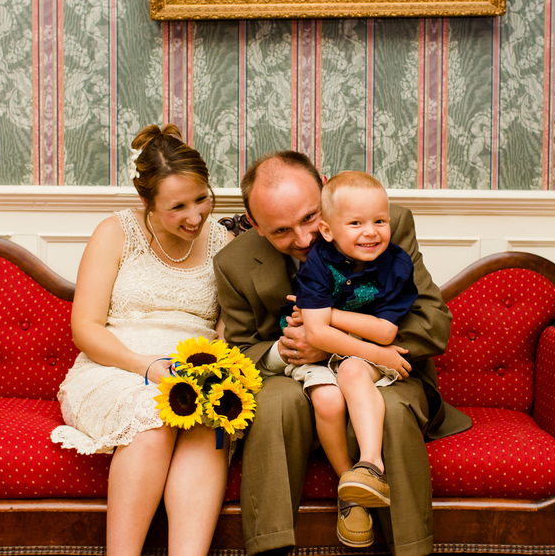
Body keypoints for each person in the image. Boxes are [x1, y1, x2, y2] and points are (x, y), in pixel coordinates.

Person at [214, 152, 471, 556]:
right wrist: (286, 351)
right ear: (256, 226)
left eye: (309, 217)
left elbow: (432, 324)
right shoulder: (233, 263)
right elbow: (241, 350)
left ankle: (409, 547)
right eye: (281, 230)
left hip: (383, 372)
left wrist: (351, 344)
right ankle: (269, 546)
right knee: (272, 402)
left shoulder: (381, 223)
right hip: (296, 381)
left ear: (325, 185)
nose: (303, 239)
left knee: (389, 410)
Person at [51, 124, 233, 556]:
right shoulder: (117, 232)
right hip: (115, 368)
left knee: (206, 422)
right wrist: (146, 366)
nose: (194, 216)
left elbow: (227, 327)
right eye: (177, 207)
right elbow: (86, 328)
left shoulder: (224, 241)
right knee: (155, 416)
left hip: (193, 368)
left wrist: (218, 371)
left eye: (202, 198)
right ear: (146, 203)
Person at [285, 171, 418, 547]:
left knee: (354, 368)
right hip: (322, 355)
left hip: (358, 357)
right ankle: (350, 486)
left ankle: (370, 466)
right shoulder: (317, 263)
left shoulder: (396, 264)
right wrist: (377, 351)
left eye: (379, 221)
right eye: (356, 223)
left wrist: (325, 313)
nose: (371, 232)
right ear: (327, 231)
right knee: (326, 398)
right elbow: (316, 336)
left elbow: (387, 331)